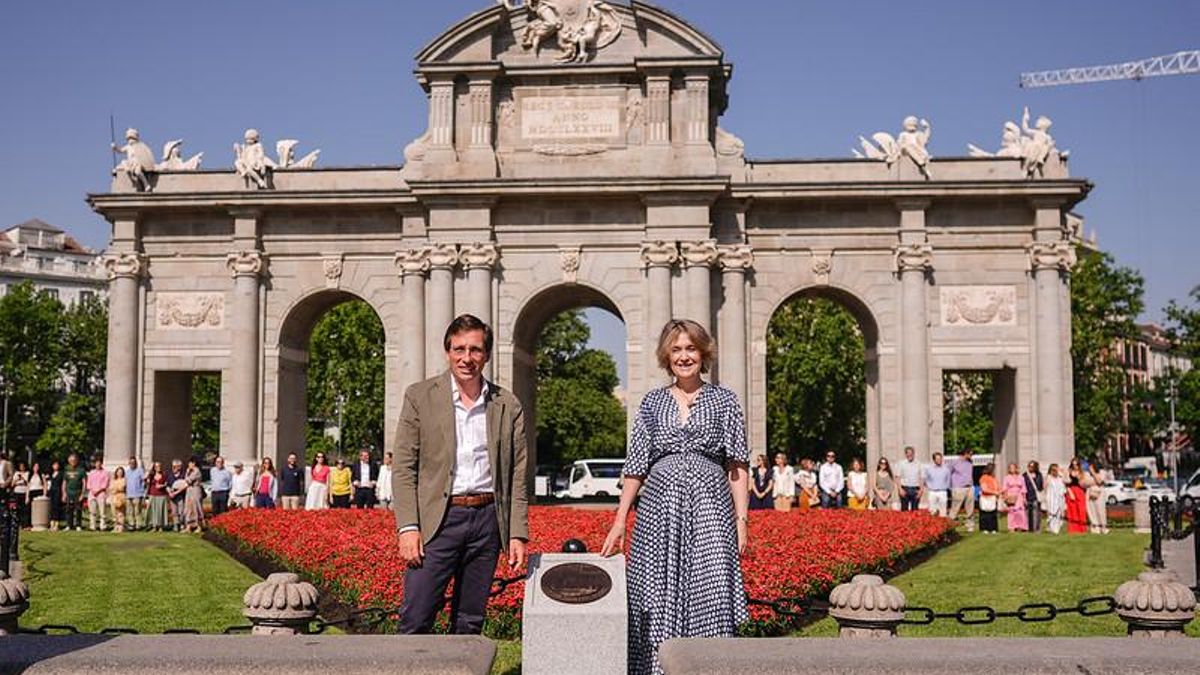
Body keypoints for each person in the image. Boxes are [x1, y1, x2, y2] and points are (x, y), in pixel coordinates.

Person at [600, 318, 747, 675]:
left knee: (710, 593)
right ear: (667, 356)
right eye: (677, 349)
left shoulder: (725, 400)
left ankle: (708, 667)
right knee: (653, 594)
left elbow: (737, 464)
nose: (684, 356)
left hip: (711, 508)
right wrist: (620, 520)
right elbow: (635, 466)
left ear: (703, 352)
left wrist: (741, 521)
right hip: (657, 511)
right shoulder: (651, 403)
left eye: (691, 348)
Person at [394, 314, 530, 636]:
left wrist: (517, 533)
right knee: (416, 617)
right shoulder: (419, 397)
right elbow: (403, 466)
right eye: (459, 349)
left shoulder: (506, 404)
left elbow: (517, 473)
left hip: (487, 522)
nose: (466, 358)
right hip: (438, 522)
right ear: (447, 351)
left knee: (469, 622)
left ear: (486, 354)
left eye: (475, 350)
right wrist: (408, 527)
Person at [947, 449, 976, 532]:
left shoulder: (970, 462)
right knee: (955, 507)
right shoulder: (955, 462)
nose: (971, 456)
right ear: (965, 453)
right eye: (970, 454)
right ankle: (950, 524)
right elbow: (949, 473)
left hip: (969, 487)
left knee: (970, 508)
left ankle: (970, 525)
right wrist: (950, 486)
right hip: (958, 487)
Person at [62, 454, 87, 531]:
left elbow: (84, 483)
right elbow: (64, 482)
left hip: (78, 492)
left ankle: (78, 525)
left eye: (73, 460)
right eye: (71, 460)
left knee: (78, 509)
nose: (72, 462)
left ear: (76, 460)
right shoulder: (67, 470)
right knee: (69, 510)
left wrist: (83, 494)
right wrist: (64, 493)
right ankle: (69, 525)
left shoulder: (81, 470)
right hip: (69, 492)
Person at [922, 453, 951, 517]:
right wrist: (929, 486)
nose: (939, 460)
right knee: (932, 510)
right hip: (932, 491)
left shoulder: (946, 469)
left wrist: (946, 487)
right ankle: (933, 524)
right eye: (937, 459)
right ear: (934, 460)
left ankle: (942, 523)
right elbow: (925, 479)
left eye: (940, 459)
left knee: (943, 510)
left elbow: (948, 480)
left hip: (942, 491)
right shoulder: (929, 469)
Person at [895, 446, 922, 511]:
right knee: (904, 509)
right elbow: (897, 477)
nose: (909, 455)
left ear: (913, 453)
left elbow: (922, 477)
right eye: (908, 453)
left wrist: (921, 490)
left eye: (911, 453)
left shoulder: (918, 464)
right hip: (904, 489)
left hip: (915, 489)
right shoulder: (901, 463)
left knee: (915, 510)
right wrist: (900, 489)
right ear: (905, 454)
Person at [86, 457, 110, 531]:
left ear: (101, 464)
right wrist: (93, 491)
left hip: (101, 494)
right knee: (92, 511)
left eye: (99, 463)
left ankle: (103, 526)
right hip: (92, 494)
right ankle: (92, 526)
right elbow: (89, 484)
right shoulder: (91, 472)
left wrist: (98, 491)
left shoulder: (105, 473)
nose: (98, 464)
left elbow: (105, 484)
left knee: (102, 511)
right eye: (96, 463)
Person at [1065, 458, 1088, 534]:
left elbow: (1084, 484)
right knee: (1072, 511)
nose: (1075, 466)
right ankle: (1073, 529)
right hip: (1071, 491)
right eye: (1073, 464)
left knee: (1081, 510)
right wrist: (1070, 492)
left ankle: (1082, 529)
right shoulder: (1068, 472)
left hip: (1080, 491)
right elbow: (1066, 483)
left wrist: (1079, 477)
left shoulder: (1082, 473)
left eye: (1076, 464)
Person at [1002, 463, 1028, 532]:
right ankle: (1012, 527)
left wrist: (1024, 498)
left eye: (1013, 467)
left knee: (1020, 512)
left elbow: (1024, 488)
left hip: (1019, 496)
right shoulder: (1006, 478)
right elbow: (1004, 488)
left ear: (1016, 468)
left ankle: (1022, 527)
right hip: (1010, 495)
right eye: (1010, 468)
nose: (1012, 469)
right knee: (1012, 512)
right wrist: (1005, 497)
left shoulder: (1021, 477)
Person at [1085, 461, 1108, 534]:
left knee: (1100, 510)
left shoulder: (1102, 472)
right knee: (1091, 511)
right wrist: (1094, 481)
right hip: (1090, 493)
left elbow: (1100, 481)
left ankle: (1103, 528)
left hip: (1099, 493)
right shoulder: (1087, 474)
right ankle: (1095, 528)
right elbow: (1085, 483)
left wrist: (1093, 473)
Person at [146, 462, 170, 532]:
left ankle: (160, 527)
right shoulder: (151, 475)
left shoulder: (164, 475)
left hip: (162, 495)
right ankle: (154, 526)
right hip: (153, 494)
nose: (158, 467)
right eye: (156, 466)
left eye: (159, 466)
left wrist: (161, 486)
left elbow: (167, 484)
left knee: (161, 511)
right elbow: (147, 482)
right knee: (153, 511)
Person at [183, 457, 205, 531]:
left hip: (195, 490)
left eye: (190, 463)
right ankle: (189, 526)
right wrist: (187, 472)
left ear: (193, 463)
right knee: (189, 508)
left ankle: (199, 526)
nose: (188, 464)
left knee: (196, 507)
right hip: (189, 490)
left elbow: (188, 480)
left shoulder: (196, 471)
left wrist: (187, 473)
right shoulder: (190, 471)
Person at [978, 463, 1000, 534]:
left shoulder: (993, 478)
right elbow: (984, 489)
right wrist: (994, 492)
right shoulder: (983, 477)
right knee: (985, 514)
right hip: (986, 497)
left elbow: (997, 487)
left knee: (993, 514)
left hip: (993, 497)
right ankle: (985, 528)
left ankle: (993, 528)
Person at [1023, 461, 1045, 533]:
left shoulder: (1039, 475)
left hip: (1036, 496)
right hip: (1027, 496)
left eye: (1032, 466)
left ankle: (1036, 528)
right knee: (1027, 513)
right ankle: (1028, 528)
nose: (1030, 468)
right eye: (1029, 466)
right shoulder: (1025, 475)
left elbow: (1041, 486)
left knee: (1036, 513)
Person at [1045, 463, 1067, 535]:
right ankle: (1052, 529)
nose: (1055, 471)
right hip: (1051, 498)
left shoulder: (1060, 478)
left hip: (1059, 499)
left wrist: (1062, 472)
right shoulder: (1049, 478)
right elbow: (1045, 487)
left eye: (1056, 469)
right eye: (1053, 470)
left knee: (1059, 514)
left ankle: (1057, 530)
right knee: (1052, 514)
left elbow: (1065, 481)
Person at [125, 458, 146, 531]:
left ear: (136, 463)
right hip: (129, 494)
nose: (132, 464)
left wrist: (143, 494)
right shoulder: (127, 472)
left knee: (137, 511)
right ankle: (131, 524)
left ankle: (138, 525)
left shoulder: (140, 471)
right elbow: (126, 483)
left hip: (137, 494)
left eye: (133, 463)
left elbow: (143, 482)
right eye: (130, 463)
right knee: (130, 511)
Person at [166, 459, 188, 531]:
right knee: (174, 512)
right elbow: (168, 485)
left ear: (179, 467)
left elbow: (185, 485)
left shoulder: (183, 475)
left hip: (180, 496)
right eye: (173, 466)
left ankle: (181, 524)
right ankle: (176, 525)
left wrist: (176, 492)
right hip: (172, 496)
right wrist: (170, 492)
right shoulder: (169, 475)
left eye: (175, 467)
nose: (174, 468)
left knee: (181, 511)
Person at [11, 462, 30, 527]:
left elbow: (28, 484)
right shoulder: (16, 473)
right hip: (16, 492)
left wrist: (23, 478)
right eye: (20, 466)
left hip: (24, 492)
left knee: (24, 509)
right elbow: (12, 484)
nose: (22, 467)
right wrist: (17, 480)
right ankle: (16, 523)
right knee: (16, 509)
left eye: (23, 466)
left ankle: (24, 524)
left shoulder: (27, 473)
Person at [109, 467, 128, 533]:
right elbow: (110, 489)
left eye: (121, 472)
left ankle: (121, 527)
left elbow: (122, 488)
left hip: (121, 497)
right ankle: (116, 527)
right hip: (114, 497)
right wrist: (115, 489)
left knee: (121, 513)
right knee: (114, 513)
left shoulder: (124, 480)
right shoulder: (113, 480)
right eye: (118, 472)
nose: (119, 473)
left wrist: (116, 489)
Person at [47, 460, 64, 531]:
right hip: (51, 491)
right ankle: (51, 523)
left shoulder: (61, 474)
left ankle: (56, 524)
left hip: (58, 491)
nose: (55, 466)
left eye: (57, 465)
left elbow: (63, 483)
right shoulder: (51, 474)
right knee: (51, 507)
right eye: (54, 465)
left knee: (57, 507)